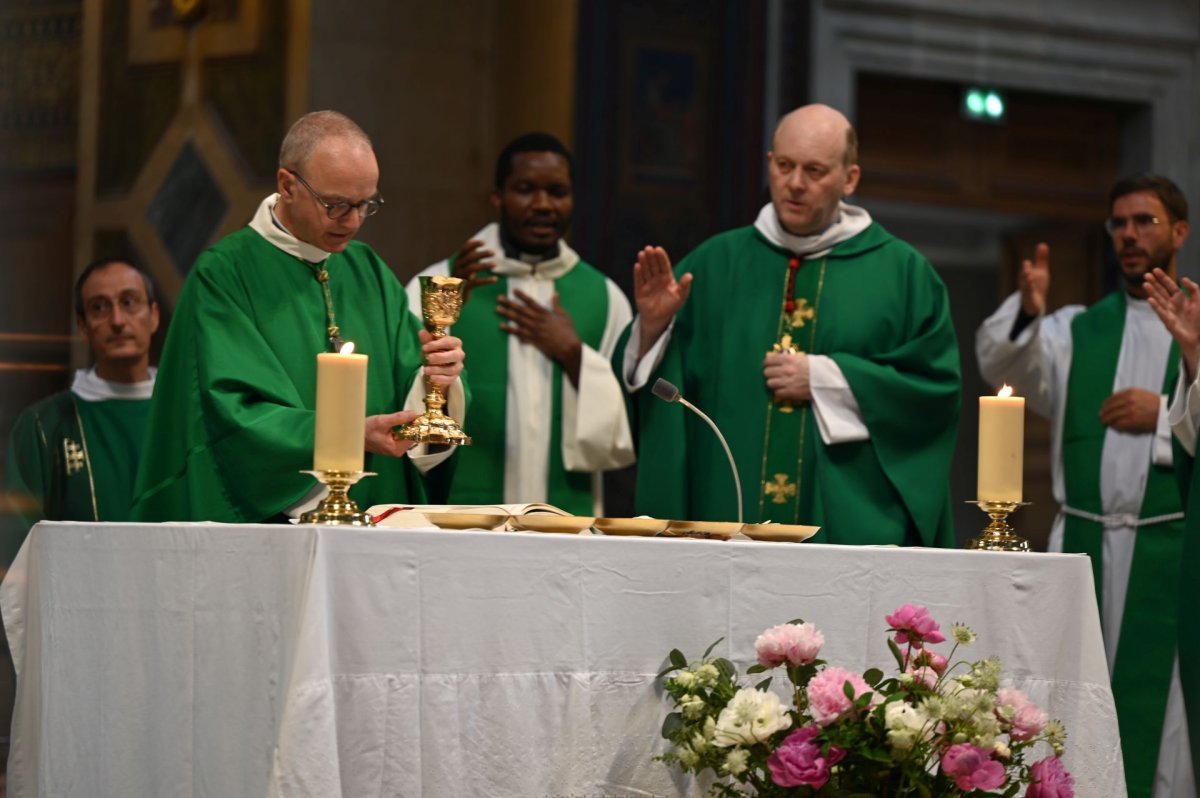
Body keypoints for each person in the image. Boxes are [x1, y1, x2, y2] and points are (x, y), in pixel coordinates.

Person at [621, 103, 960, 546]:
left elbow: (933, 393)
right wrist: (651, 330)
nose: (795, 184)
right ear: (770, 164)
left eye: (815, 171)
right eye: (784, 166)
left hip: (846, 533)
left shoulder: (905, 276)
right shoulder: (713, 265)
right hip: (725, 525)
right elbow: (665, 397)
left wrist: (827, 379)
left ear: (850, 179)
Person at [131, 110, 466, 523]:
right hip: (277, 530)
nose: (354, 221)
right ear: (287, 185)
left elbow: (408, 385)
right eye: (337, 204)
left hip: (378, 522)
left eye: (367, 204)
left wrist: (437, 381)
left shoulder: (369, 270)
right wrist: (346, 436)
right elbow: (231, 414)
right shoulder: (224, 274)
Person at [977, 174, 1192, 798]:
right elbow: (1004, 363)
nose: (1129, 234)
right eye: (1119, 223)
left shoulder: (1197, 324)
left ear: (1179, 232)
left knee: (1163, 712)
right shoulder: (1074, 330)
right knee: (1069, 689)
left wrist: (1162, 413)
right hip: (1084, 544)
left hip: (1166, 545)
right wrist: (1029, 309)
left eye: (1145, 221)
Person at [407, 133, 634, 515]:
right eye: (525, 190)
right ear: (497, 197)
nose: (543, 204)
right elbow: (401, 398)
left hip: (565, 518)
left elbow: (625, 427)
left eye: (557, 191)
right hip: (462, 519)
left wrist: (573, 354)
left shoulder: (606, 297)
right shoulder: (436, 286)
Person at [4, 258, 160, 539]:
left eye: (129, 302)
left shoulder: (187, 416)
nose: (117, 320)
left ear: (154, 316)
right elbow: (19, 546)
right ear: (83, 326)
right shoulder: (43, 427)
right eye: (99, 307)